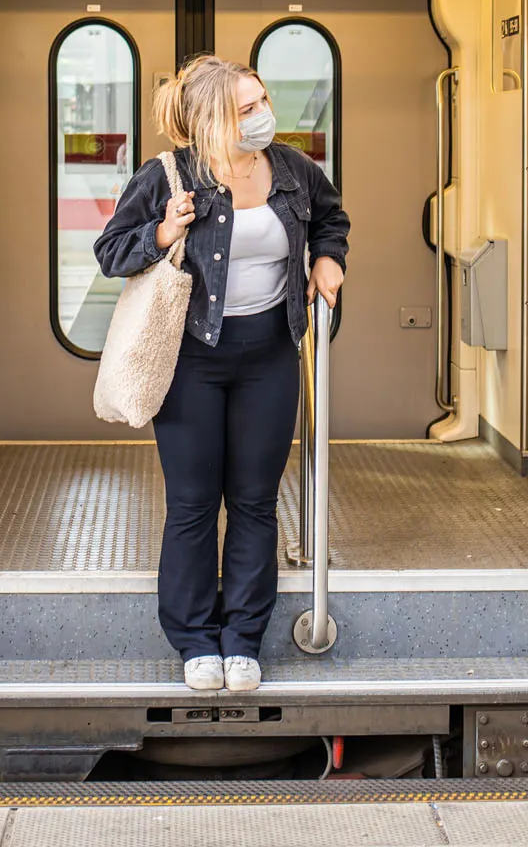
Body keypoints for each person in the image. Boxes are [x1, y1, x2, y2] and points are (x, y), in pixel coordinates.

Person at [94, 56, 349, 692]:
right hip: (190, 360)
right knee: (192, 503)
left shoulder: (292, 169)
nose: (264, 117)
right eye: (246, 109)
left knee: (256, 502)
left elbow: (331, 219)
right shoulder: (167, 175)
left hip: (269, 353)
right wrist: (163, 230)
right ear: (210, 119)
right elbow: (109, 252)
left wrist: (327, 259)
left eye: (262, 101)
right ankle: (194, 641)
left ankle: (242, 641)